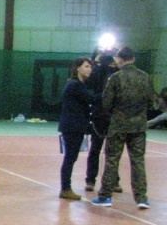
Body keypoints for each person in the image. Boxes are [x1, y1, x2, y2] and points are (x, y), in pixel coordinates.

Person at [91, 47, 153, 209]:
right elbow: (151, 102)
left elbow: (106, 103)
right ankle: (142, 198)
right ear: (133, 58)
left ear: (119, 59)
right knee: (138, 161)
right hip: (139, 126)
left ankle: (105, 197)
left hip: (118, 125)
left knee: (112, 160)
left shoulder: (115, 78)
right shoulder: (145, 77)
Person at [57, 56, 96, 200]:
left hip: (74, 126)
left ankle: (66, 188)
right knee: (70, 158)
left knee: (71, 158)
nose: (89, 69)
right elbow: (91, 99)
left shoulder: (78, 85)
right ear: (77, 68)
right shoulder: (75, 85)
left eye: (90, 67)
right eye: (86, 66)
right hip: (72, 127)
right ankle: (65, 188)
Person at [84, 51, 118, 193]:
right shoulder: (98, 72)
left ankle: (111, 181)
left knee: (109, 151)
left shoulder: (116, 74)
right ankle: (92, 180)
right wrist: (97, 63)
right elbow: (90, 83)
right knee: (99, 150)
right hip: (100, 116)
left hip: (110, 116)